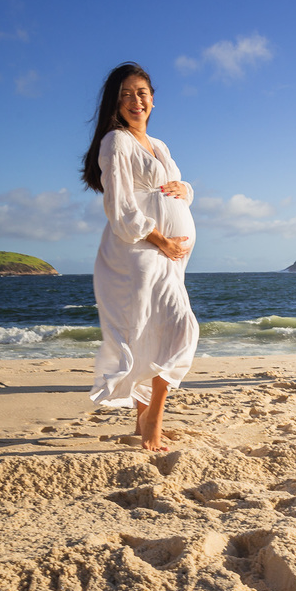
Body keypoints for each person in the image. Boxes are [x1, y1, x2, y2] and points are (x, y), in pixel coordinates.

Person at [81, 62, 199, 452]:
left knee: (154, 332)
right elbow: (119, 207)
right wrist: (161, 240)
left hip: (170, 255)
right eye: (127, 94)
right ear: (115, 102)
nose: (137, 100)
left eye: (143, 93)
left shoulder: (159, 145)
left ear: (153, 99)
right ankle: (153, 423)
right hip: (139, 251)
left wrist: (186, 189)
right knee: (182, 329)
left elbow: (175, 187)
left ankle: (141, 416)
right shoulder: (116, 142)